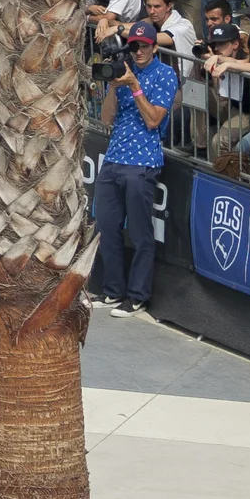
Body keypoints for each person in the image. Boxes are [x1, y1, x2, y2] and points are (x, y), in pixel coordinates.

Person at [89, 20, 177, 318]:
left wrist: (135, 86)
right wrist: (114, 86)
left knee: (140, 234)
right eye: (133, 46)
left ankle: (137, 296)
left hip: (142, 164)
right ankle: (113, 290)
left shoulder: (165, 74)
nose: (137, 51)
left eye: (142, 46)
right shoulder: (123, 71)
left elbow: (154, 120)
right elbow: (106, 118)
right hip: (113, 158)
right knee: (106, 227)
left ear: (153, 47)